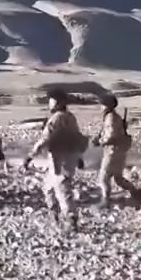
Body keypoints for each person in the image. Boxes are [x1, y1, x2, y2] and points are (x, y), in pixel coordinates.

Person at [23, 88, 89, 229]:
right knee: (50, 187)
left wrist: (30, 156)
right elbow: (76, 137)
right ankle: (55, 215)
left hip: (60, 158)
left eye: (51, 101)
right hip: (68, 156)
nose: (49, 104)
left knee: (61, 187)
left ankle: (70, 218)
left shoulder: (56, 118)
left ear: (57, 102)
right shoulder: (71, 117)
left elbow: (45, 139)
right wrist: (79, 157)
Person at [93, 93, 141, 208]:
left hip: (112, 151)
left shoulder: (110, 117)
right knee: (118, 178)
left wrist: (100, 141)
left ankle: (105, 200)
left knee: (103, 177)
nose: (100, 107)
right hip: (120, 151)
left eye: (102, 105)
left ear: (107, 106)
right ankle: (135, 192)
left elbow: (111, 135)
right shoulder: (114, 116)